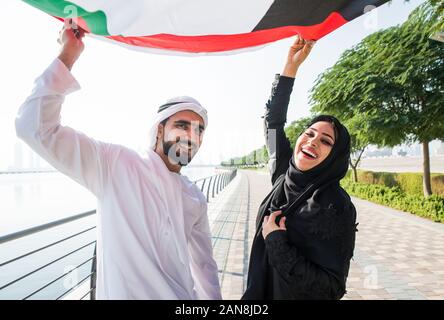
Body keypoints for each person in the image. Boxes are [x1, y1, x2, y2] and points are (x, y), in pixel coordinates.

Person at [15, 21, 221, 300]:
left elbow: (205, 266)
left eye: (199, 130)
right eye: (182, 125)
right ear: (159, 129)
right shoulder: (115, 164)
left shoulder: (194, 196)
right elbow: (34, 128)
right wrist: (69, 54)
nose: (191, 136)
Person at [242, 35, 357, 300]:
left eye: (326, 140)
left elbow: (331, 288)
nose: (313, 141)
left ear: (335, 156)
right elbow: (273, 123)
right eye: (310, 133)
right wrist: (290, 67)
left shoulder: (336, 206)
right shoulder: (284, 174)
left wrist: (276, 242)